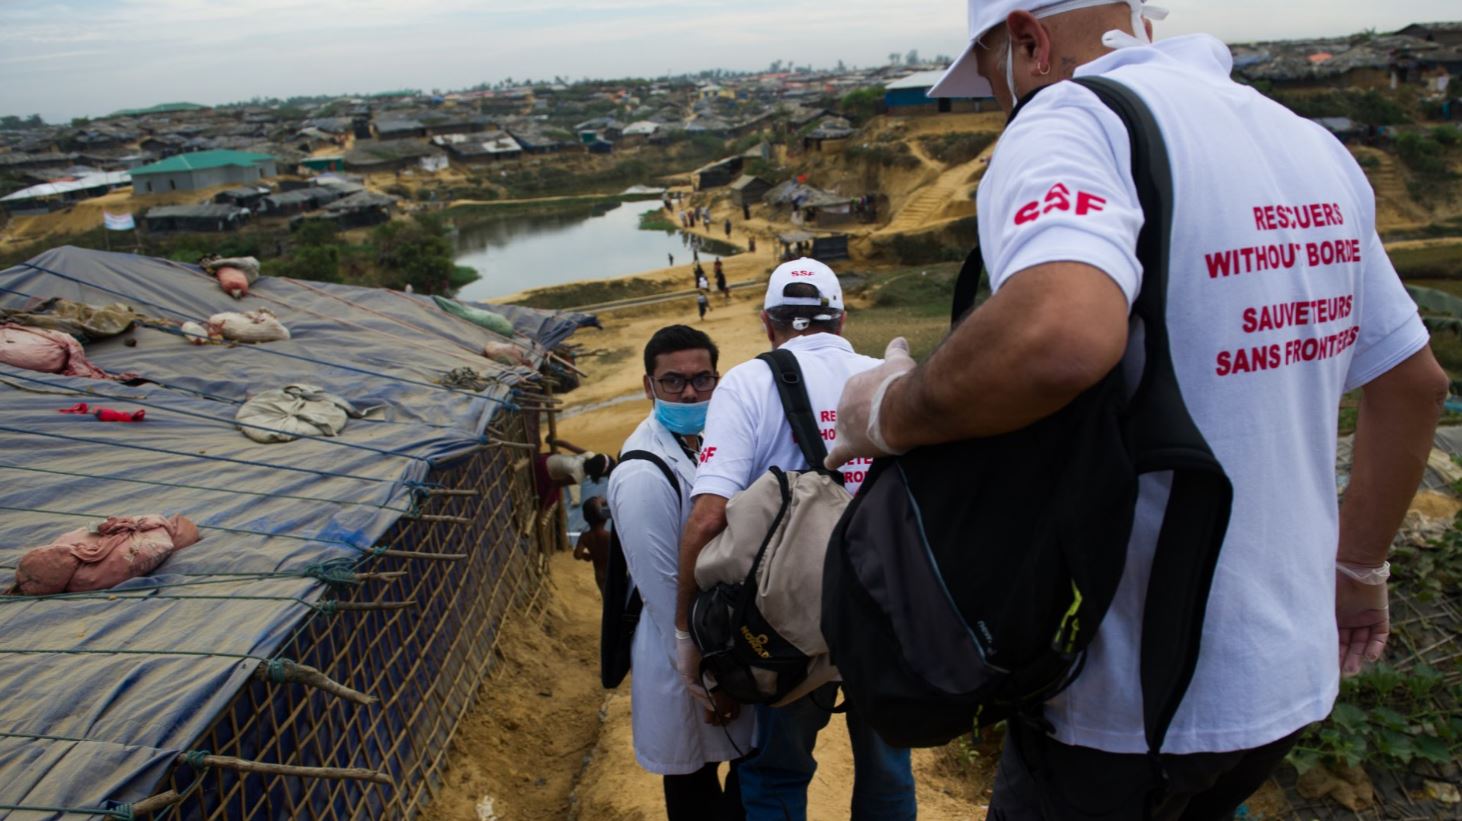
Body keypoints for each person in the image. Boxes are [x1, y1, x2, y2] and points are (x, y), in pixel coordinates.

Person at [825, 2, 1447, 818]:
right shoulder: (1302, 140)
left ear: (1028, 40)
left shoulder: (1072, 121)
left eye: (987, 73)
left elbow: (1061, 333)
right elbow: (1413, 382)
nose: (993, 98)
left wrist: (888, 412)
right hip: (1287, 684)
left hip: (1127, 707)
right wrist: (1358, 568)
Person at [676, 260, 916, 820]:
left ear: (768, 324)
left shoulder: (746, 383)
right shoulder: (889, 377)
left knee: (778, 773)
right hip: (885, 610)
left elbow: (708, 518)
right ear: (841, 319)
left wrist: (688, 633)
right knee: (888, 772)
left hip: (782, 622)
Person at [608, 325, 753, 820]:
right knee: (694, 787)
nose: (690, 391)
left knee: (739, 774)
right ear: (649, 385)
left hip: (720, 644)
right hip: (687, 657)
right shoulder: (643, 472)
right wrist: (709, 680)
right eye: (673, 381)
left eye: (702, 379)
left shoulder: (709, 441)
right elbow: (663, 590)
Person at [572, 496, 612, 593]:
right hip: (613, 573)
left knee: (606, 599)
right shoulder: (609, 536)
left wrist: (589, 556)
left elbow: (577, 555)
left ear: (585, 517)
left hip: (599, 575)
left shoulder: (585, 537)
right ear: (605, 518)